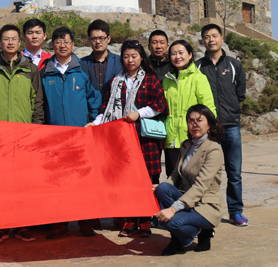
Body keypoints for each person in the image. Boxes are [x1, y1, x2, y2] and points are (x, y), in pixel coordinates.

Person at [90, 40, 168, 238]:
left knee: (147, 181)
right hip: (122, 141)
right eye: (126, 56)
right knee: (127, 181)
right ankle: (131, 220)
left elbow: (160, 105)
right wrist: (96, 123)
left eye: (134, 56)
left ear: (142, 58)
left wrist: (138, 113)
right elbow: (105, 108)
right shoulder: (115, 82)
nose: (130, 60)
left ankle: (145, 221)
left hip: (145, 139)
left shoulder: (150, 80)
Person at [0, 24, 44, 243]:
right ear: (0, 42)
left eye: (13, 39)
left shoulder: (30, 70)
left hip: (24, 136)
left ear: (19, 42)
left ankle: (23, 225)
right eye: (6, 39)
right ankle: (0, 226)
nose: (10, 42)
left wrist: (35, 131)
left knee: (23, 183)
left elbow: (37, 103)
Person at [39, 27, 101, 239]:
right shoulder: (45, 71)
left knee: (83, 180)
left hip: (80, 136)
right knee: (57, 181)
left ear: (73, 45)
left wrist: (94, 122)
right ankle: (59, 223)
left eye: (66, 42)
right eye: (58, 42)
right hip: (54, 137)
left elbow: (94, 99)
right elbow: (40, 104)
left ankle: (86, 222)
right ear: (52, 45)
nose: (62, 45)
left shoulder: (83, 69)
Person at [154, 104, 224, 256]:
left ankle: (197, 233)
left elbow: (200, 186)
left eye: (200, 120)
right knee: (162, 189)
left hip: (205, 204)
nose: (195, 124)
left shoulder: (214, 149)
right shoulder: (186, 145)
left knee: (171, 221)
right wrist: (159, 186)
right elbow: (175, 175)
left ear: (209, 125)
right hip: (187, 197)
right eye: (191, 121)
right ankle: (185, 236)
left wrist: (173, 209)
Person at [197, 23, 248, 227]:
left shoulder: (235, 65)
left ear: (221, 38)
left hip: (231, 126)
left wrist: (231, 111)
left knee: (234, 173)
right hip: (208, 129)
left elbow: (240, 93)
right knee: (206, 173)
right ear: (203, 41)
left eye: (215, 35)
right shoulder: (198, 67)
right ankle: (205, 212)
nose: (211, 39)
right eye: (207, 36)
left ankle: (235, 212)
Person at [162, 39, 217, 177]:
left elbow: (208, 109)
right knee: (173, 178)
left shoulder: (198, 78)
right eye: (173, 53)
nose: (177, 56)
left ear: (190, 55)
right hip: (171, 139)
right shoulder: (167, 80)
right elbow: (163, 109)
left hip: (192, 137)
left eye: (181, 52)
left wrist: (206, 132)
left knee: (191, 178)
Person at [79, 19, 121, 93]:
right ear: (89, 40)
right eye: (94, 39)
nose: (98, 42)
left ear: (108, 39)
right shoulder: (81, 64)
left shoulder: (120, 62)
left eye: (101, 38)